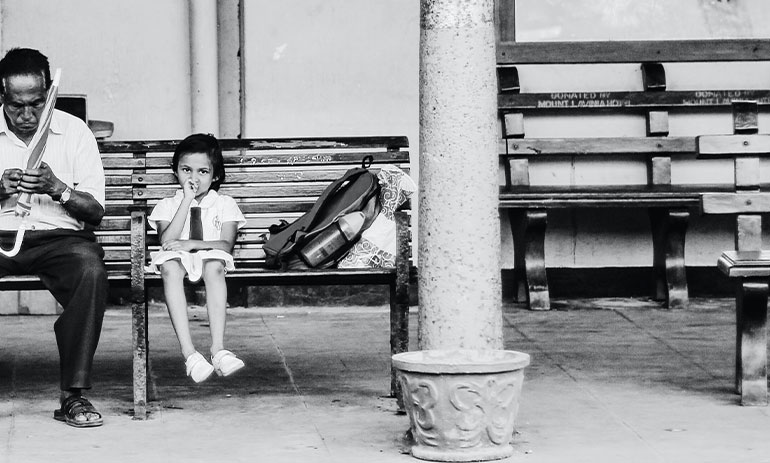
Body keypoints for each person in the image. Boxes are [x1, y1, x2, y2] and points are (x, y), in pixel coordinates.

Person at [0, 48, 106, 428]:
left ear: (50, 95)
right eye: (17, 106)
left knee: (90, 271)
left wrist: (59, 188)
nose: (28, 115)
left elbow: (95, 212)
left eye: (37, 104)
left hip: (60, 239)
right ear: (2, 98)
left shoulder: (74, 131)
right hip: (3, 234)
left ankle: (73, 395)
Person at [146, 133, 246, 383]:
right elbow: (167, 240)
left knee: (214, 266)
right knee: (169, 267)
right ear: (176, 172)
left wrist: (192, 244)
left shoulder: (225, 203)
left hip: (211, 257)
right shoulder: (168, 205)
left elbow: (226, 245)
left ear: (216, 175)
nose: (194, 178)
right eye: (186, 170)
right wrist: (187, 200)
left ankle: (218, 349)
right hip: (178, 259)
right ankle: (189, 354)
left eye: (203, 172)